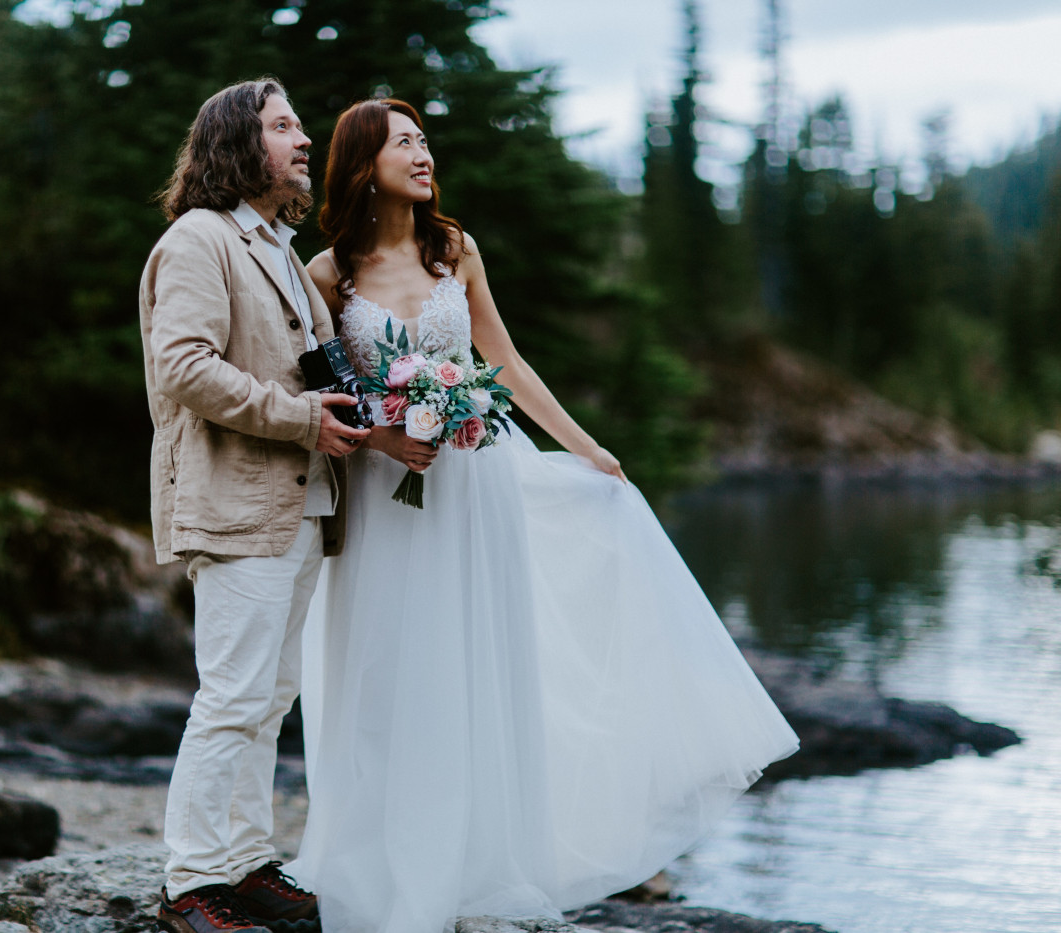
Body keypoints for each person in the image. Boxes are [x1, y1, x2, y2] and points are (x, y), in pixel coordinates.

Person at [284, 99, 800, 933]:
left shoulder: (454, 248)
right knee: (388, 668)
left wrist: (588, 448)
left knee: (474, 657)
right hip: (386, 496)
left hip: (475, 484)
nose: (422, 155)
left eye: (424, 141)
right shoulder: (329, 272)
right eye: (403, 144)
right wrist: (381, 440)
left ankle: (478, 857)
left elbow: (504, 361)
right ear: (362, 161)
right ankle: (384, 865)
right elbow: (319, 385)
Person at [139, 78, 370, 933]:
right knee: (231, 695)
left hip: (302, 505)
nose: (303, 139)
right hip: (237, 501)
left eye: (300, 125)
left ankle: (243, 859)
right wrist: (302, 419)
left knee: (271, 696)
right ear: (239, 144)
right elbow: (185, 367)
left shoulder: (274, 243)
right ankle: (190, 883)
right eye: (282, 127)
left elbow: (309, 364)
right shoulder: (201, 241)